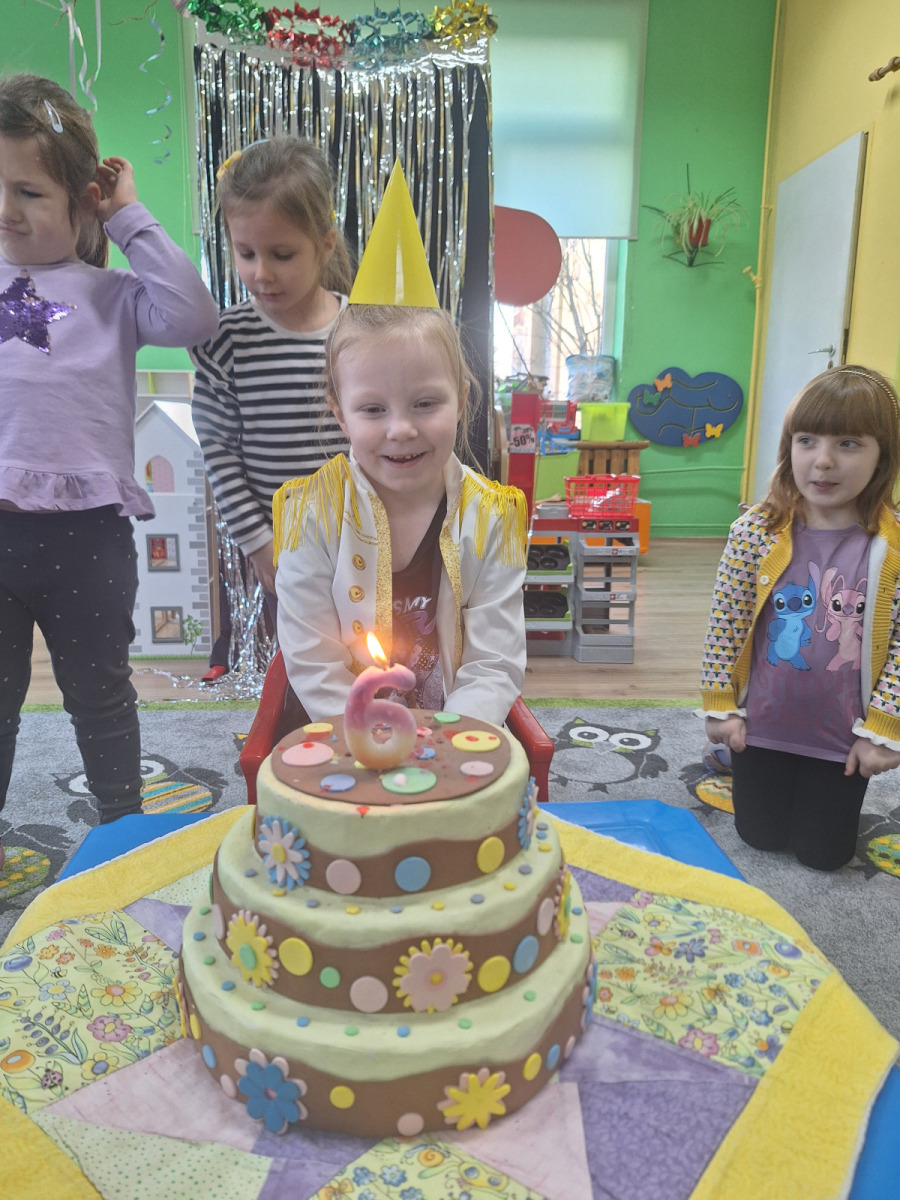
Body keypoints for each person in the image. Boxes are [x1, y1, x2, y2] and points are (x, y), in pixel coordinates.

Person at [0, 74, 219, 837]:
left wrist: (127, 215)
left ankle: (123, 828)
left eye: (28, 191)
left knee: (100, 694)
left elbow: (194, 315)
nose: (6, 208)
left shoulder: (115, 296)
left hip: (87, 534)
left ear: (82, 199)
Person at [273, 304, 528, 726]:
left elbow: (493, 663)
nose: (401, 430)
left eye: (425, 403)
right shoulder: (313, 514)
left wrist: (449, 745)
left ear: (461, 400)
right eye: (373, 410)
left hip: (458, 734)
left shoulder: (490, 516)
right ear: (340, 414)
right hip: (344, 731)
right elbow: (314, 661)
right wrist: (369, 737)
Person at [701, 365, 900, 870]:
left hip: (841, 740)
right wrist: (721, 706)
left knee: (824, 855)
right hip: (762, 728)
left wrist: (883, 730)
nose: (823, 460)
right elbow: (726, 623)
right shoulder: (755, 532)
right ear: (789, 446)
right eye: (807, 440)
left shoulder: (893, 545)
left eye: (849, 444)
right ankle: (730, 762)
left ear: (883, 456)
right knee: (758, 836)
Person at [190, 137, 353, 680]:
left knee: (366, 662)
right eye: (246, 254)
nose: (262, 273)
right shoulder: (227, 338)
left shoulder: (361, 331)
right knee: (291, 673)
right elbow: (219, 451)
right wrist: (259, 544)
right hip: (274, 550)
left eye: (282, 255)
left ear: (325, 245)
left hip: (360, 540)